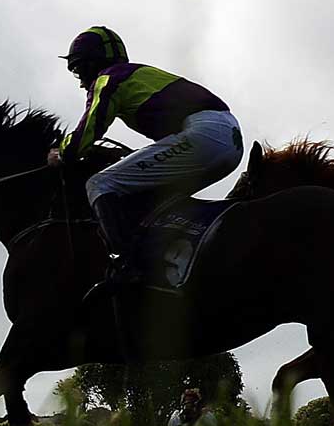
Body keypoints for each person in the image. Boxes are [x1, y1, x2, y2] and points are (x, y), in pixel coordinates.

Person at [48, 26, 243, 299]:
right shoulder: (136, 75)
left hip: (205, 135)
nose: (81, 82)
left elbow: (87, 132)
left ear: (94, 63)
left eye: (80, 71)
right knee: (150, 196)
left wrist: (62, 153)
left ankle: (128, 265)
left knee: (100, 183)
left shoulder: (109, 79)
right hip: (228, 140)